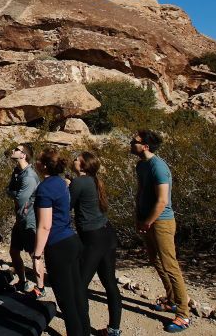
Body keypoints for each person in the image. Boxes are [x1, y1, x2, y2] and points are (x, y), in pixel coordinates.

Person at [132, 130, 191, 333]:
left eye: (136, 141)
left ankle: (183, 314)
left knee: (170, 265)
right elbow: (141, 191)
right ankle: (172, 299)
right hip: (147, 220)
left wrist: (148, 221)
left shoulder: (158, 167)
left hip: (162, 222)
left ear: (145, 146)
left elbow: (162, 201)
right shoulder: (141, 165)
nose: (132, 143)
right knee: (155, 260)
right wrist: (139, 216)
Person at [33, 148, 91, 336]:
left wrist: (37, 255)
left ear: (43, 165)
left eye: (38, 160)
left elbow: (44, 226)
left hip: (58, 246)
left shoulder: (45, 187)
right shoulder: (61, 182)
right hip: (71, 241)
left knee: (66, 301)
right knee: (77, 294)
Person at [70, 151, 122, 336]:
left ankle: (82, 329)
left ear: (83, 165)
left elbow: (67, 205)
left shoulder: (78, 182)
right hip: (107, 234)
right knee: (109, 282)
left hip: (93, 239)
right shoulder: (94, 180)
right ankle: (114, 329)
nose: (73, 160)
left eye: (77, 159)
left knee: (80, 285)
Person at [6, 143, 43, 295]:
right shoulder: (18, 172)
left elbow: (21, 198)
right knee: (14, 251)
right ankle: (23, 281)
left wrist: (12, 192)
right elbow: (10, 190)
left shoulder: (29, 177)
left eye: (17, 149)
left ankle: (40, 287)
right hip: (20, 218)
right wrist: (13, 191)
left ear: (23, 155)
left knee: (34, 255)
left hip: (29, 220)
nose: (13, 150)